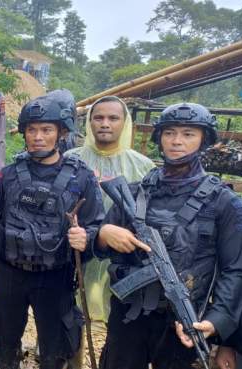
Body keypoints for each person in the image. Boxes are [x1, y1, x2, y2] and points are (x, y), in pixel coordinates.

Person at [0, 90, 105, 369]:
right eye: (31, 130)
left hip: (55, 278)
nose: (38, 136)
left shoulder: (81, 176)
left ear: (61, 133)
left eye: (46, 130)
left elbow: (97, 224)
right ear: (24, 133)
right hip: (10, 274)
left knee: (53, 352)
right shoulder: (9, 174)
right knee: (4, 346)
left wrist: (86, 237)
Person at [96, 102, 242, 369]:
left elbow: (235, 270)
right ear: (159, 138)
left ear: (204, 140)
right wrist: (103, 233)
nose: (177, 141)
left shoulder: (225, 203)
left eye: (188, 134)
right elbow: (94, 241)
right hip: (128, 316)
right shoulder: (133, 193)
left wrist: (216, 321)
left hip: (185, 322)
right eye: (169, 133)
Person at [63, 95, 155, 366]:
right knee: (71, 321)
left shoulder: (142, 166)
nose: (105, 124)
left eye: (113, 118)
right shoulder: (71, 159)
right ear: (89, 122)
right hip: (76, 253)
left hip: (120, 259)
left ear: (124, 123)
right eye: (98, 117)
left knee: (117, 326)